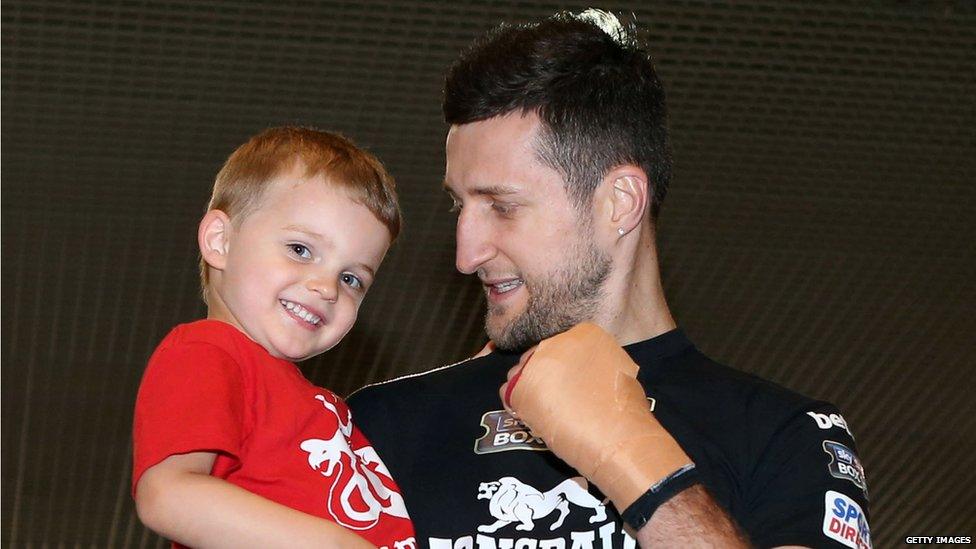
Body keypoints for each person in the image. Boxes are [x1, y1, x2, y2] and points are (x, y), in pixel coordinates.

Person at [348, 9, 870, 548]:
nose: (466, 254)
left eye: (502, 207)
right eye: (461, 206)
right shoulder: (381, 426)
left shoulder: (783, 433)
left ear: (620, 203)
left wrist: (635, 462)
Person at [132, 127, 416, 549]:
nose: (327, 287)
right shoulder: (207, 350)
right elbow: (167, 496)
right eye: (301, 249)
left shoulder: (315, 404)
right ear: (220, 240)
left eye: (352, 278)